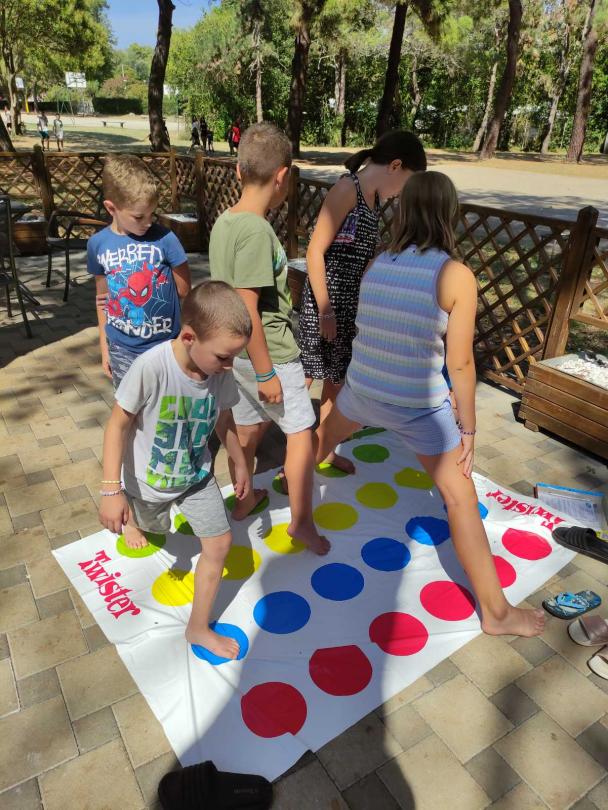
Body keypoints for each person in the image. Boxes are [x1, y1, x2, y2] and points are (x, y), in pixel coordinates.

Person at [316, 171, 546, 638]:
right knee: (460, 498)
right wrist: (469, 430)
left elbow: (379, 328)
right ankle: (496, 613)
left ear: (403, 211)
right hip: (417, 407)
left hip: (362, 391)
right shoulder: (456, 275)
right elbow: (460, 363)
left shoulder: (377, 263)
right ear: (448, 214)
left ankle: (291, 481)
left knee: (321, 439)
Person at [98, 281, 253, 659]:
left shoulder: (220, 371)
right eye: (223, 357)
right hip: (148, 482)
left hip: (196, 477)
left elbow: (225, 419)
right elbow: (117, 425)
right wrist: (111, 491)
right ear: (188, 337)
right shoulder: (150, 367)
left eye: (234, 357)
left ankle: (197, 627)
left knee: (220, 544)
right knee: (152, 526)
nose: (229, 366)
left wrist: (239, 461)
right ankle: (135, 518)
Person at [209, 122, 329, 556]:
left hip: (238, 357)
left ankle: (244, 501)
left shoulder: (225, 222)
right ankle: (302, 522)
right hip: (270, 354)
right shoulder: (257, 232)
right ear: (282, 176)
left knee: (246, 430)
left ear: (238, 170)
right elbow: (247, 307)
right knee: (301, 435)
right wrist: (266, 372)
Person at [299, 130, 427, 473]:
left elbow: (359, 257)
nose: (401, 193)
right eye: (406, 183)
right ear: (395, 165)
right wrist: (325, 310)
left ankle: (323, 449)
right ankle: (293, 456)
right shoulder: (347, 189)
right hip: (325, 304)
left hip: (348, 308)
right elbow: (315, 252)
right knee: (304, 382)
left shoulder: (374, 199)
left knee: (336, 382)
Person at [87, 154, 191, 389]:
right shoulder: (97, 245)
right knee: (130, 405)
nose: (148, 222)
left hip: (166, 346)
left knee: (166, 404)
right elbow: (103, 300)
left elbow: (185, 291)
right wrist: (104, 348)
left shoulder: (166, 238)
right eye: (138, 216)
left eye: (152, 213)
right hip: (121, 349)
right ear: (111, 208)